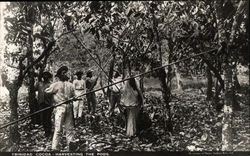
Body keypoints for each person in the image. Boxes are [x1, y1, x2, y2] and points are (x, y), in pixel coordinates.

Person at [45, 66, 76, 151]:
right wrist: (52, 102)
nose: (65, 74)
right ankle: (55, 148)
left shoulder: (70, 85)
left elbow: (75, 96)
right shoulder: (55, 85)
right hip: (59, 107)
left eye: (65, 72)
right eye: (63, 73)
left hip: (68, 107)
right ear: (59, 75)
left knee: (69, 128)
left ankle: (70, 145)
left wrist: (73, 98)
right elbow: (46, 92)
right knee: (58, 129)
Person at [35, 71, 53, 138]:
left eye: (47, 75)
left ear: (48, 77)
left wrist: (52, 104)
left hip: (48, 103)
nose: (45, 77)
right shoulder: (39, 84)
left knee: (48, 118)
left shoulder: (50, 85)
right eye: (44, 75)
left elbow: (52, 95)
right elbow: (34, 88)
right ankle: (46, 132)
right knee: (43, 119)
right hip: (41, 103)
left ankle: (49, 132)